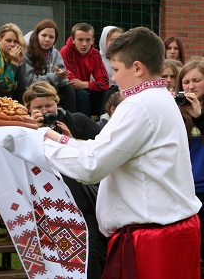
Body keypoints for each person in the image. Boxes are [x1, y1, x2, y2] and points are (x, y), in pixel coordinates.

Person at [43, 27, 201, 278]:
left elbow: (92, 165)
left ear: (137, 68)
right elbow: (102, 149)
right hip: (169, 231)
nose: (113, 78)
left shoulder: (138, 104)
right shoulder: (160, 97)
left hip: (153, 239)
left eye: (116, 69)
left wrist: (40, 145)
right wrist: (57, 139)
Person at [22, 80, 107, 278]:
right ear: (28, 108)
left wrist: (70, 139)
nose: (45, 111)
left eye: (49, 105)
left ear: (57, 102)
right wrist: (31, 132)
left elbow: (103, 149)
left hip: (87, 206)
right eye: (38, 107)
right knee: (57, 263)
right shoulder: (24, 130)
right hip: (50, 209)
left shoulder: (77, 120)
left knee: (91, 260)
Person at [175, 59, 204, 260]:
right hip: (183, 189)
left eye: (196, 80)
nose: (191, 86)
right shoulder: (176, 110)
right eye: (186, 82)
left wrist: (199, 117)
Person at [24, 19, 76, 112]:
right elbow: (29, 81)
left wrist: (62, 76)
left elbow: (63, 82)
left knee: (69, 90)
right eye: (44, 35)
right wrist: (55, 76)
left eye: (51, 37)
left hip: (51, 89)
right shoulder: (26, 52)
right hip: (31, 89)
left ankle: (70, 120)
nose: (47, 39)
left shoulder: (55, 53)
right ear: (37, 35)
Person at [60, 23, 109, 117]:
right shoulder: (66, 51)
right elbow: (72, 82)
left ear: (93, 41)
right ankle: (83, 126)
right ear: (73, 40)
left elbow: (104, 82)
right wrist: (86, 85)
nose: (84, 44)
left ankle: (104, 124)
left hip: (85, 88)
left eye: (88, 40)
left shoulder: (95, 54)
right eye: (80, 40)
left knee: (106, 93)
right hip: (70, 93)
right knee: (82, 94)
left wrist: (85, 84)